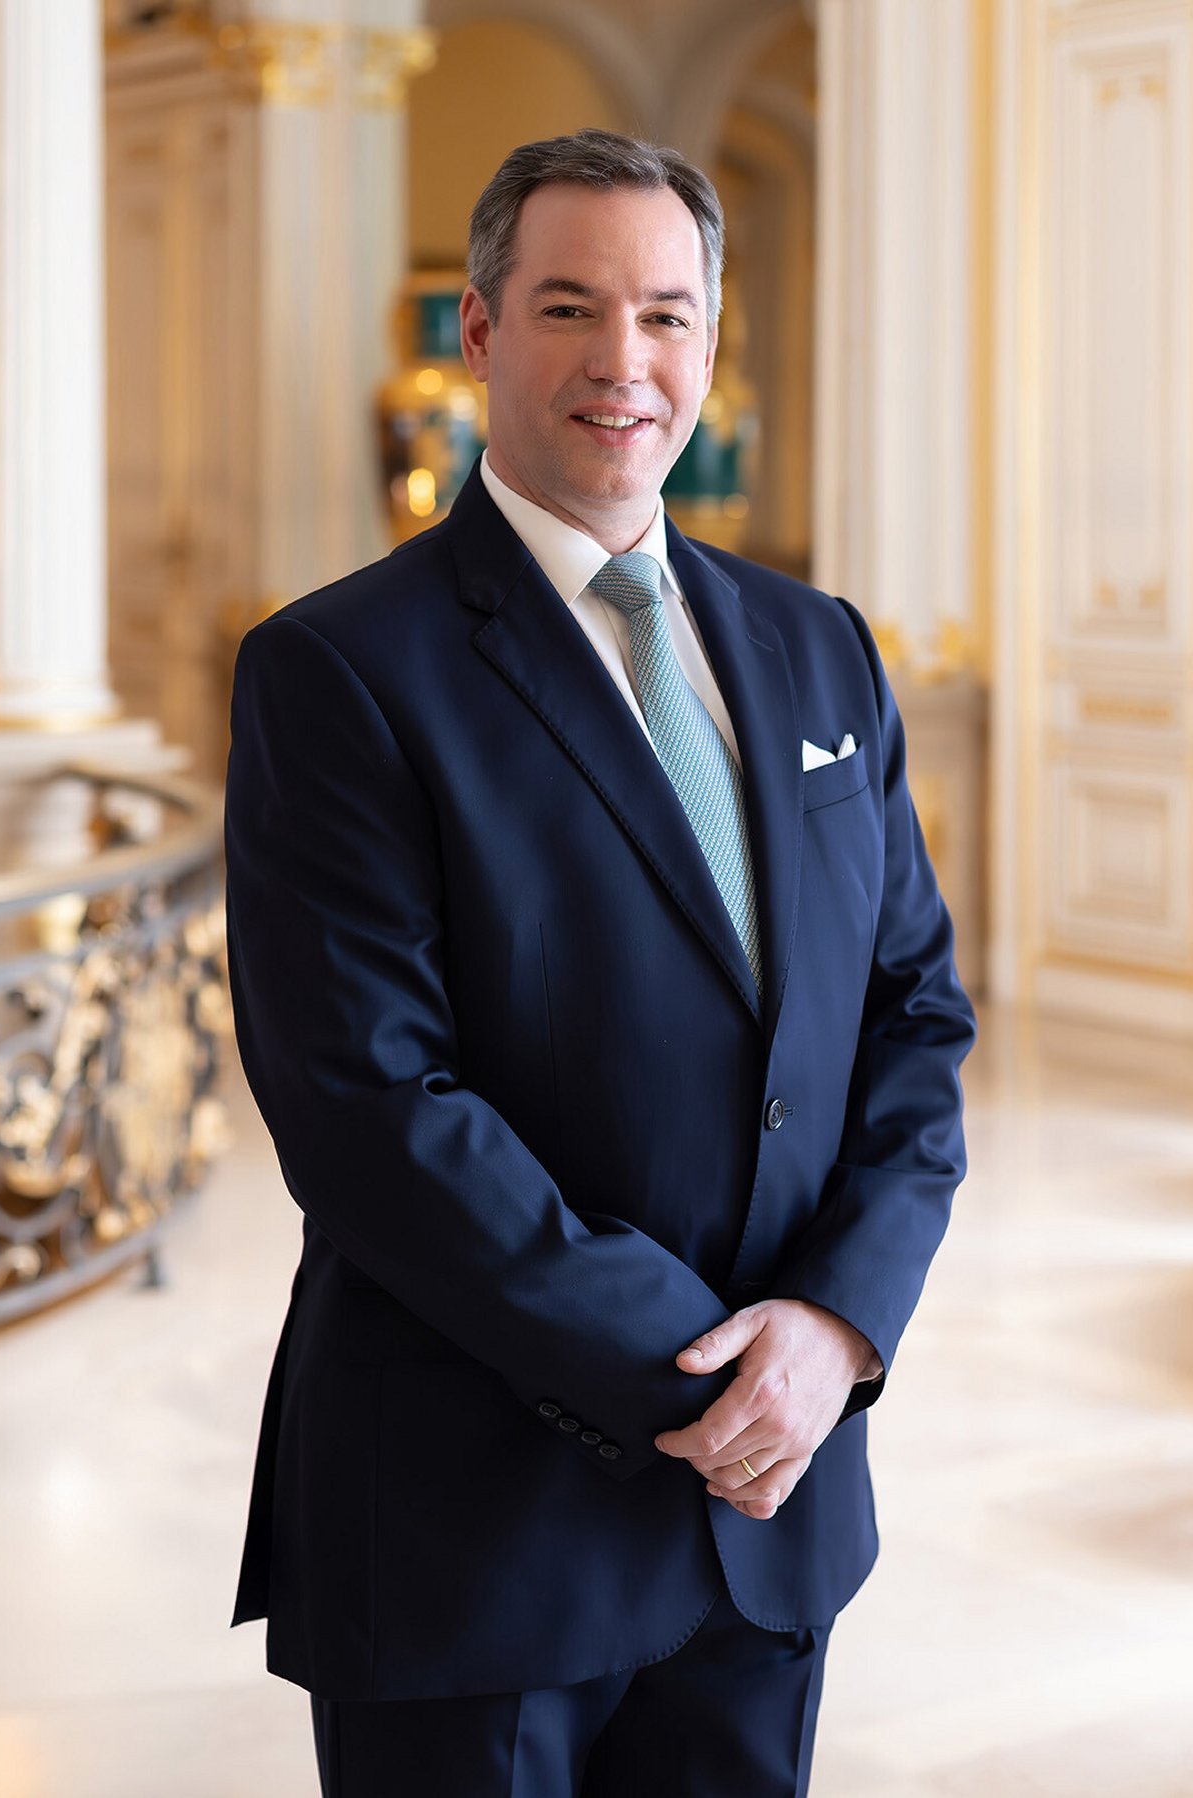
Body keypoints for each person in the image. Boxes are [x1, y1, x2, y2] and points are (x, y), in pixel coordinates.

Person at [225, 128, 976, 1797]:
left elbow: (915, 1013)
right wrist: (712, 1378)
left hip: (768, 1522)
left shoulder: (819, 645)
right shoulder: (338, 670)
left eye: (666, 314)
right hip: (480, 1520)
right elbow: (371, 1107)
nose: (623, 362)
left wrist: (838, 1330)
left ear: (710, 343)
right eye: (569, 308)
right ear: (480, 333)